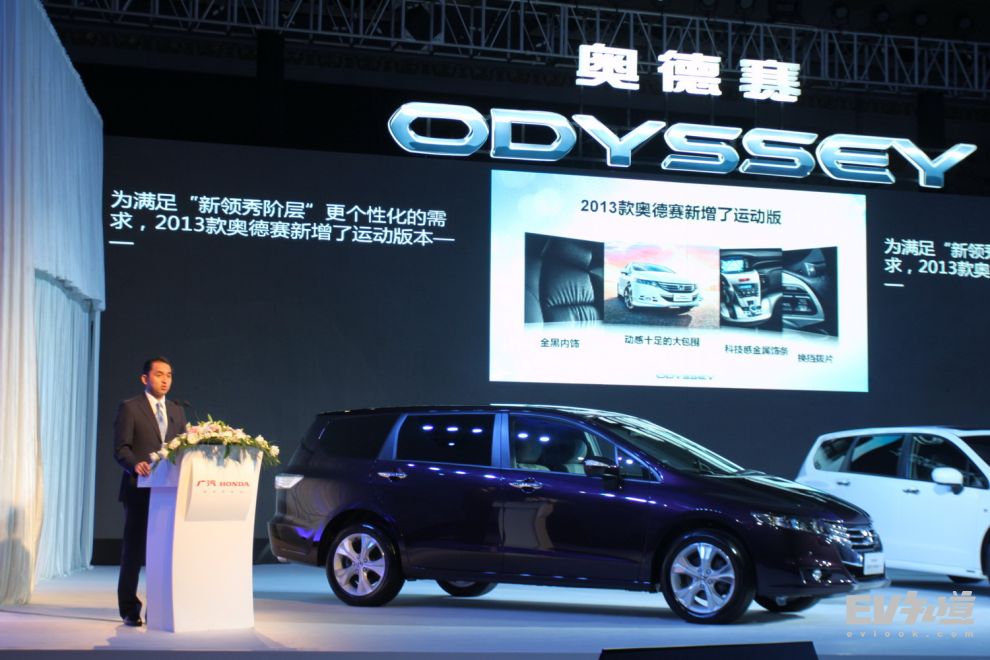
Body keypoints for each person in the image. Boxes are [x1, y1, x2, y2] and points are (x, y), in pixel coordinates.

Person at [112, 356, 187, 627]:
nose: (165, 380)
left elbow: (182, 448)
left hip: (168, 492)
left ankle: (159, 608)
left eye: (169, 375)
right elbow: (121, 448)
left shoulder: (177, 410)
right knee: (134, 551)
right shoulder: (130, 408)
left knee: (163, 553)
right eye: (159, 374)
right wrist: (135, 464)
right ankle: (129, 608)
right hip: (139, 488)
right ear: (145, 378)